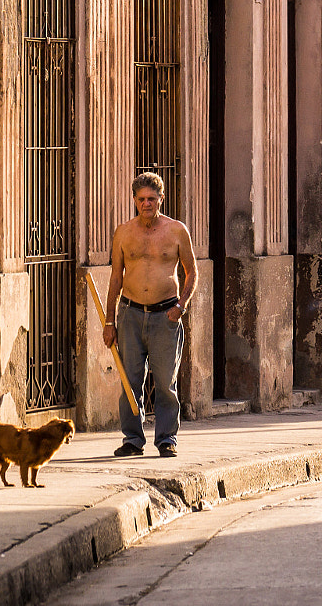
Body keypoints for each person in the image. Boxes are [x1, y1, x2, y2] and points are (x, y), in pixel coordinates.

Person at [103, 172, 197, 458]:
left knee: (166, 381)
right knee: (129, 380)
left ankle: (167, 439)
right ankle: (132, 440)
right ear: (134, 200)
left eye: (152, 199)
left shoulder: (177, 230)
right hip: (130, 314)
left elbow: (192, 272)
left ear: (161, 199)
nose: (146, 204)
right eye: (141, 199)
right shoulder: (124, 232)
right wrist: (110, 321)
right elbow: (116, 278)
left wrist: (180, 307)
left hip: (165, 314)